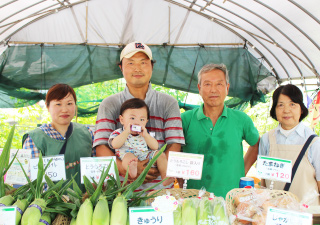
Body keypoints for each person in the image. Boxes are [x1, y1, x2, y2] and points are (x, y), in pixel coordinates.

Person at [94, 41, 185, 191]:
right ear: (121, 67)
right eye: (130, 63)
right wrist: (128, 169)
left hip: (160, 191)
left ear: (152, 66)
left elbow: (175, 144)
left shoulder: (168, 103)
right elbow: (101, 149)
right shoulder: (109, 104)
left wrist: (154, 166)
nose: (137, 68)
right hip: (121, 192)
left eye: (143, 62)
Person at [181, 63, 260, 198]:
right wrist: (181, 180)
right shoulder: (185, 119)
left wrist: (243, 170)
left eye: (219, 84)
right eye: (207, 84)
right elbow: (173, 151)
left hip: (230, 197)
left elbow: (256, 143)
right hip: (193, 198)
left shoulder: (241, 119)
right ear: (199, 88)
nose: (213, 90)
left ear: (227, 88)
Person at [22, 84, 94, 189]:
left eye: (69, 103)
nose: (64, 109)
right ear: (48, 107)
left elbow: (96, 168)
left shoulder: (88, 133)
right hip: (51, 203)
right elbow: (33, 180)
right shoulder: (34, 139)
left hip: (85, 201)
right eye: (58, 104)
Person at [259, 84, 320, 205]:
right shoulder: (266, 139)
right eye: (280, 105)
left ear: (301, 109)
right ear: (274, 110)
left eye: (292, 104)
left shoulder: (314, 142)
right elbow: (264, 182)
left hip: (307, 215)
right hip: (275, 215)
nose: (286, 110)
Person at [109, 98, 174, 186]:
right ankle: (132, 171)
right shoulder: (119, 132)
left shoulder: (145, 134)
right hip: (127, 154)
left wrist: (146, 135)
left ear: (146, 122)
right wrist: (126, 132)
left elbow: (155, 146)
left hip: (144, 156)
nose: (137, 122)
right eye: (132, 118)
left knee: (160, 154)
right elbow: (115, 145)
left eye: (142, 120)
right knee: (128, 158)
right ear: (122, 120)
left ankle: (166, 176)